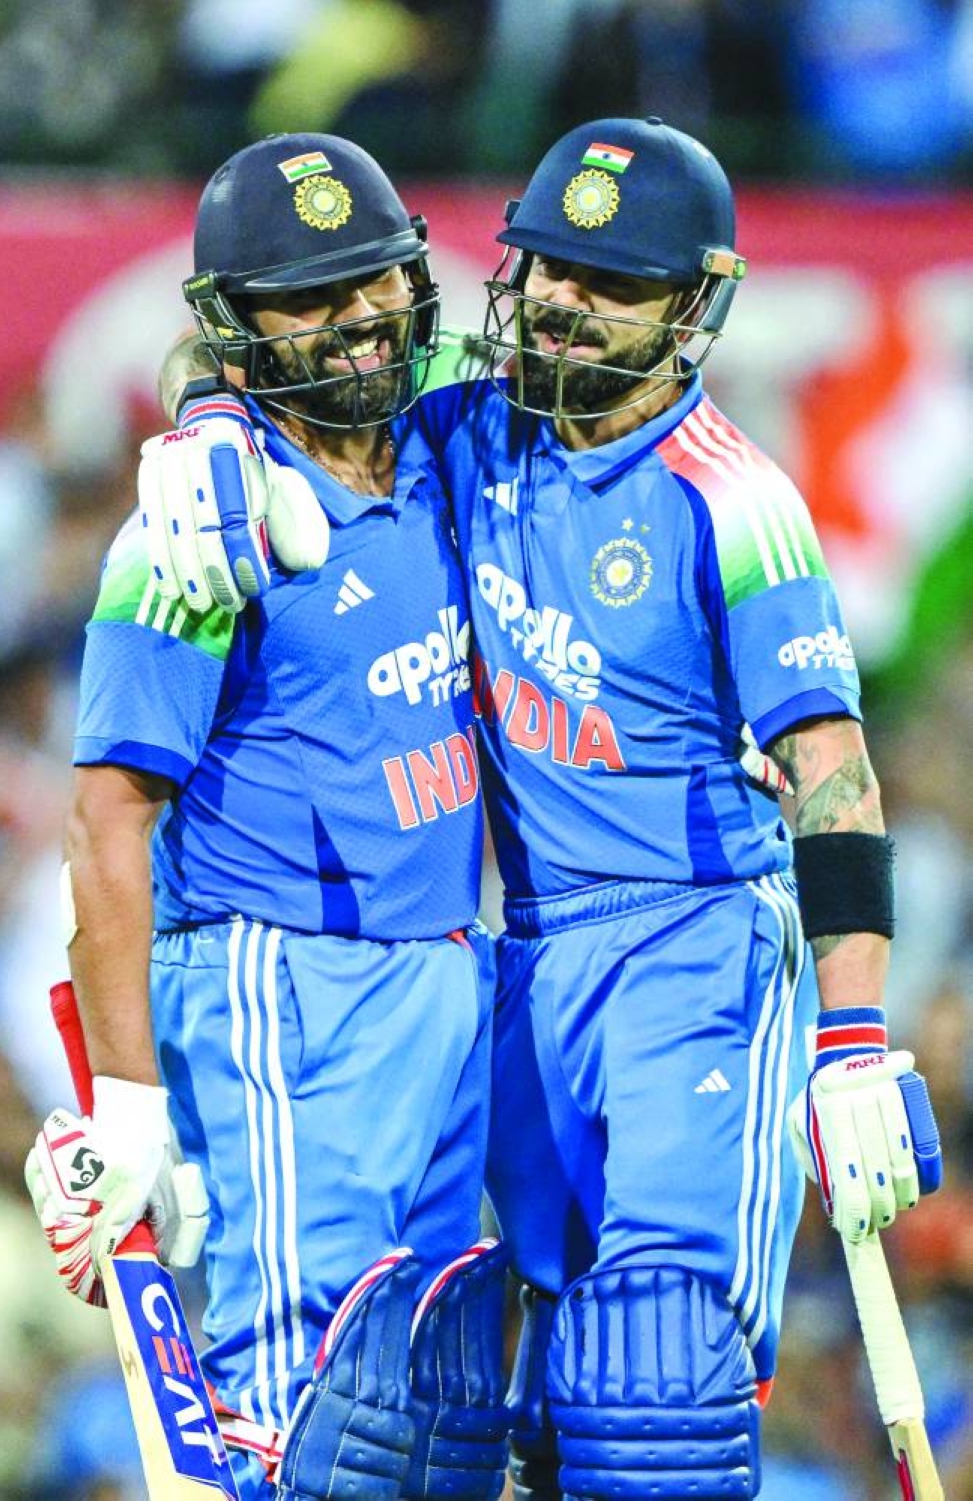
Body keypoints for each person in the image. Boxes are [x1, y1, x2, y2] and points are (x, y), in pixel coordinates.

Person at [136, 118, 942, 1500]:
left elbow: (836, 771)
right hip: (521, 961)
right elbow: (274, 350)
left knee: (656, 1388)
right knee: (473, 1399)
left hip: (693, 957)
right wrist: (205, 425)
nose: (567, 300)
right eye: (552, 264)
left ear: (695, 307)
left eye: (612, 281)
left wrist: (857, 1038)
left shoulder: (735, 503)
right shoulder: (468, 406)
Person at [24, 134, 510, 1501]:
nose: (356, 316)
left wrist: (207, 412)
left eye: (373, 277)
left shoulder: (429, 462)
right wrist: (128, 1106)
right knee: (298, 1425)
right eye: (308, 295)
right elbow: (105, 820)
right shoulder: (185, 540)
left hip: (442, 980)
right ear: (238, 326)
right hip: (282, 989)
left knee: (427, 1424)